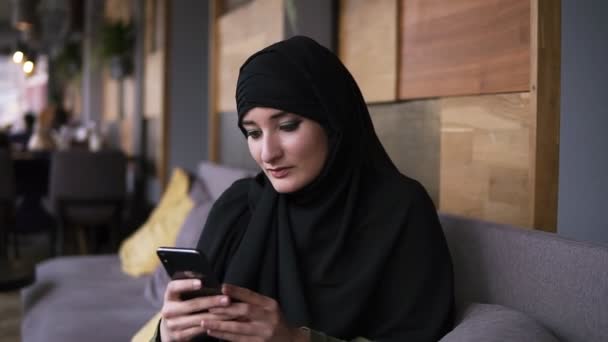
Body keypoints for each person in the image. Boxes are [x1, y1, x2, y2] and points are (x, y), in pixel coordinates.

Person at [156, 36, 454, 342]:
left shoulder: (400, 210)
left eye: (287, 126)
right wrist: (167, 332)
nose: (267, 153)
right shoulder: (239, 205)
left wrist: (296, 339)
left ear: (333, 120)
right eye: (253, 133)